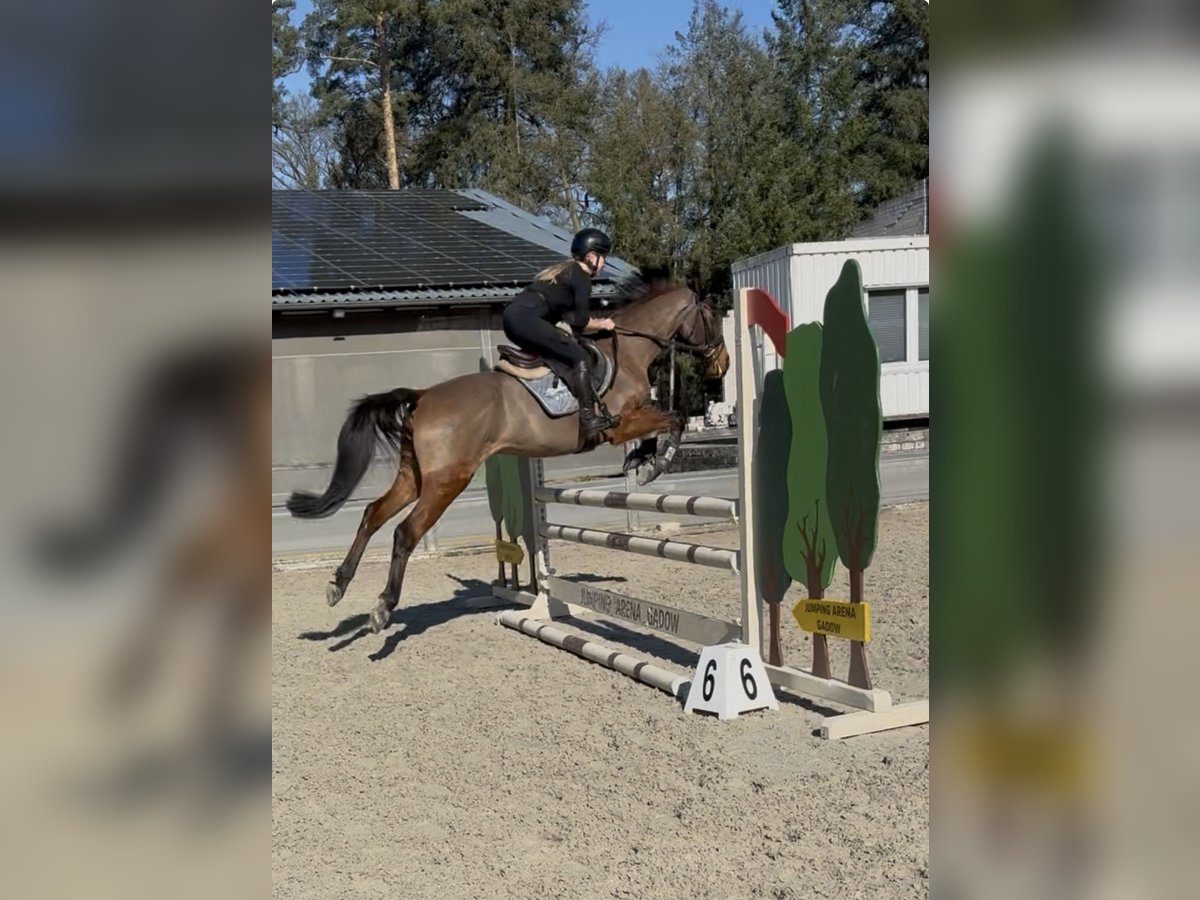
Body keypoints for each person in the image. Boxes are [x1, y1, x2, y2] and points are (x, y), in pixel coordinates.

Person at [502, 227, 621, 438]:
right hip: (527, 320)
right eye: (603, 257)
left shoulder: (565, 271)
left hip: (513, 319)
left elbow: (569, 319)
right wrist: (603, 324)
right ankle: (588, 419)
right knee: (580, 358)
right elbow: (581, 322)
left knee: (561, 349)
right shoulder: (581, 277)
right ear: (591, 256)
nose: (604, 263)